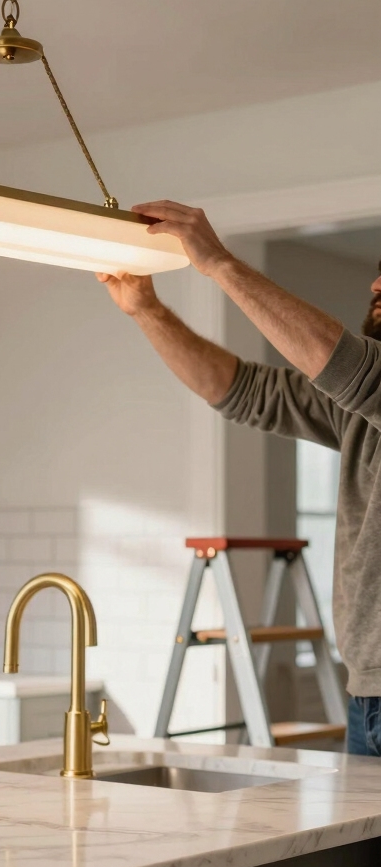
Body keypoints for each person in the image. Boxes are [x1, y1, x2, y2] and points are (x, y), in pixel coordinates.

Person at [97, 200, 381, 756]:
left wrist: (220, 263)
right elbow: (241, 390)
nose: (375, 283)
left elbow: (349, 368)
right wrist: (146, 310)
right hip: (366, 693)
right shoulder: (360, 407)